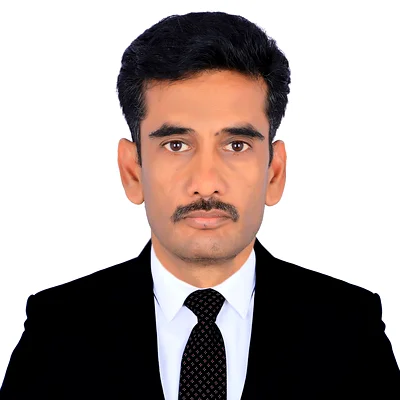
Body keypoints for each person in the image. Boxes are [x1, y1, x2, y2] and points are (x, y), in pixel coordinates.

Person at [1, 10, 399, 400]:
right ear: (133, 171)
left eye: (236, 145)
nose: (206, 182)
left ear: (274, 172)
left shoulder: (351, 330)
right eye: (176, 145)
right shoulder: (57, 330)